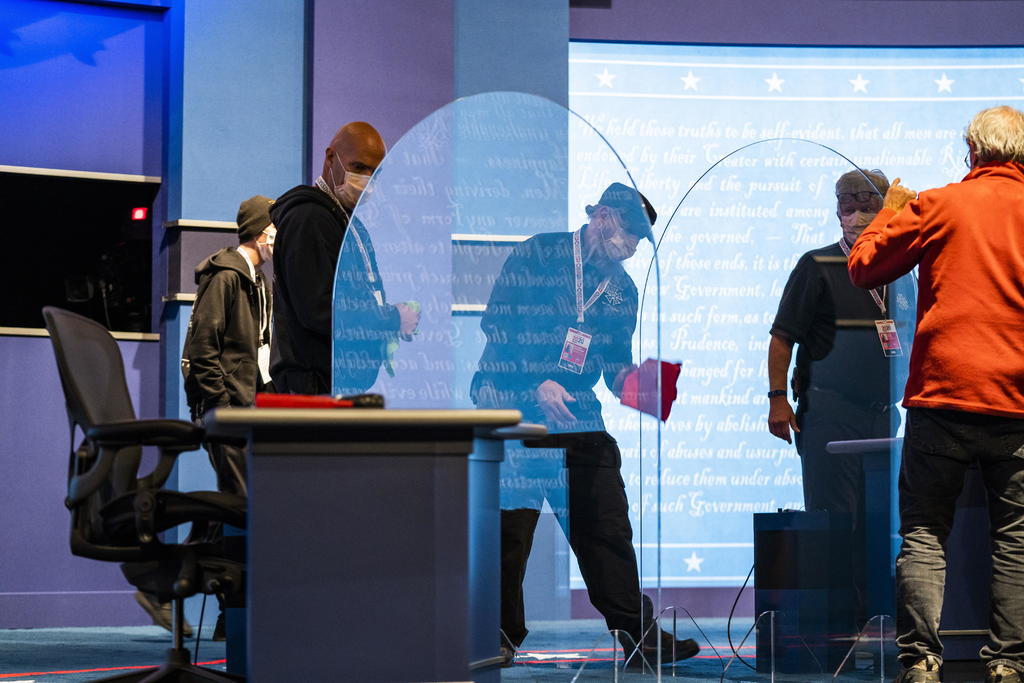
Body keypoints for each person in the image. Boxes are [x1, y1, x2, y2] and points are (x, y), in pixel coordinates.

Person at [471, 182, 700, 668]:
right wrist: (536, 381)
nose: (632, 247)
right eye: (629, 234)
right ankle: (497, 635)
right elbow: (498, 325)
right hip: (511, 396)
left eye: (640, 241)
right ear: (603, 217)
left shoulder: (621, 290)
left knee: (605, 521)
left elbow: (614, 358)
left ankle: (638, 635)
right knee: (511, 528)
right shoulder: (540, 252)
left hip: (574, 406)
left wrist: (635, 384)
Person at [847, 105, 1024, 683]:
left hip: (942, 396)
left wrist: (889, 211)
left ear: (971, 150)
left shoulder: (940, 204)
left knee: (924, 532)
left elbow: (864, 267)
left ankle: (921, 662)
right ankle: (1009, 665)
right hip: (1017, 401)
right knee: (1016, 539)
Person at [767, 169, 914, 530]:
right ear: (838, 213)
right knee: (836, 526)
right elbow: (782, 337)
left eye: (866, 205)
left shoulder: (902, 273)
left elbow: (913, 335)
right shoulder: (818, 265)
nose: (856, 215)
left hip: (884, 416)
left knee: (881, 528)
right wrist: (777, 399)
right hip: (831, 415)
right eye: (848, 206)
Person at [175, 194, 275, 640]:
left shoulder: (259, 282)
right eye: (276, 230)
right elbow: (203, 351)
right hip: (228, 412)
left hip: (248, 413)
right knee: (241, 506)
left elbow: (259, 355)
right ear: (260, 232)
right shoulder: (227, 277)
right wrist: (223, 408)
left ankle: (177, 575)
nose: (280, 238)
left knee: (235, 506)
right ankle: (230, 610)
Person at [269, 121, 419, 395]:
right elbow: (319, 310)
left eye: (375, 173)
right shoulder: (309, 218)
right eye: (359, 167)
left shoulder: (346, 221)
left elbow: (356, 297)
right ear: (330, 158)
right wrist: (390, 318)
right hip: (315, 389)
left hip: (339, 385)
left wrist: (384, 321)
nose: (367, 180)